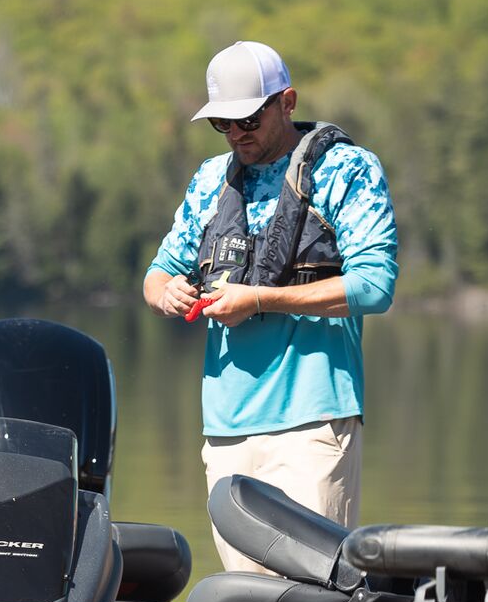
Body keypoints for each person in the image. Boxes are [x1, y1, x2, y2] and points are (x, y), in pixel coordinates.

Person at [142, 40, 398, 573]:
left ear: (287, 102)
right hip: (227, 429)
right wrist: (168, 291)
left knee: (316, 598)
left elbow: (375, 286)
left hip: (313, 423)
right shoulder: (211, 180)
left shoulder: (347, 171)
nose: (237, 134)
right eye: (222, 124)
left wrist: (261, 298)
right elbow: (157, 274)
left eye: (248, 119)